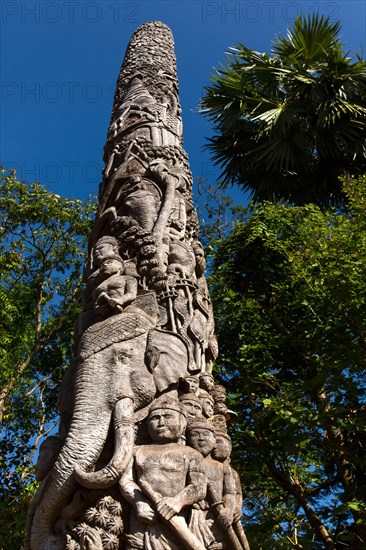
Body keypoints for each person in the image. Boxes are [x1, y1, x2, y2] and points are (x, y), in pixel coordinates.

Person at [119, 397, 207, 550]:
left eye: (168, 417)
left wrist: (177, 502)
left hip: (178, 520)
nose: (161, 423)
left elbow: (198, 487)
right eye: (155, 418)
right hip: (144, 520)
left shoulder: (191, 454)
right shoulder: (136, 452)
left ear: (182, 423)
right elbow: (126, 481)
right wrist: (139, 502)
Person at [186, 421, 237, 549]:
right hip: (191, 515)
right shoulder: (184, 461)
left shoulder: (222, 467)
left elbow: (230, 492)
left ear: (214, 441)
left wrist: (228, 510)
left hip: (216, 517)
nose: (201, 438)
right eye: (195, 434)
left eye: (205, 434)